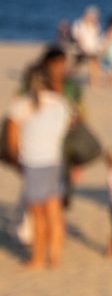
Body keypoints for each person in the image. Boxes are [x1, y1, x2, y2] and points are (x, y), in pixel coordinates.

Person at [6, 49, 76, 270]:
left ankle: (37, 258)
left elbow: (12, 142)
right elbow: (65, 129)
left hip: (33, 163)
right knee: (54, 212)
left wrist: (17, 161)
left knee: (37, 214)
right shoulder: (62, 104)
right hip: (54, 161)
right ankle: (54, 257)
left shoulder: (21, 106)